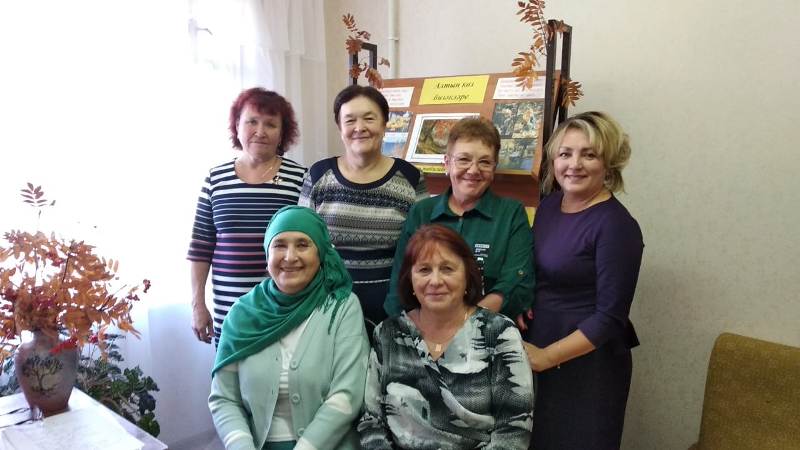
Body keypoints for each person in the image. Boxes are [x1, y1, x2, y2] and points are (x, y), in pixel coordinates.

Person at [523, 111, 644, 450]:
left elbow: (610, 317)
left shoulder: (616, 226)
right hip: (537, 347)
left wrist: (547, 357)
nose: (574, 164)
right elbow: (537, 272)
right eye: (565, 154)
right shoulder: (549, 206)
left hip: (586, 363)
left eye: (589, 155)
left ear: (609, 163)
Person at [359, 225, 534, 450]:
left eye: (447, 269)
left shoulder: (499, 333)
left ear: (467, 275)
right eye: (424, 270)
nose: (435, 281)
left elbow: (514, 432)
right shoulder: (387, 334)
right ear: (410, 279)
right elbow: (371, 422)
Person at [209, 206, 369, 450]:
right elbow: (224, 399)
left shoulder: (342, 307)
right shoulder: (241, 314)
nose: (290, 256)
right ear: (267, 253)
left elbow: (348, 394)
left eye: (303, 245)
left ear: (321, 254)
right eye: (280, 245)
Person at [299, 85, 428, 326]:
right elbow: (302, 243)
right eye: (350, 120)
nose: (359, 128)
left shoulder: (411, 178)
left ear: (385, 123)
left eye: (369, 118)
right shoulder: (318, 175)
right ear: (340, 127)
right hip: (327, 303)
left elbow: (424, 247)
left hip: (393, 305)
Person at [384, 117, 534, 323]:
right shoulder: (421, 212)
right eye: (464, 159)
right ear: (447, 163)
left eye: (485, 162)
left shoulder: (511, 214)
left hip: (486, 331)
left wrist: (460, 325)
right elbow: (400, 284)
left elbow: (516, 284)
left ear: (494, 168)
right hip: (422, 331)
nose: (473, 170)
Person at [187, 88, 307, 345]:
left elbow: (310, 246)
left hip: (284, 308)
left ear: (282, 133)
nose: (260, 131)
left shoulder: (301, 179)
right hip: (229, 312)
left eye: (271, 124)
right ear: (237, 126)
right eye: (252, 121)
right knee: (229, 370)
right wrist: (198, 305)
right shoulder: (216, 179)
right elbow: (200, 247)